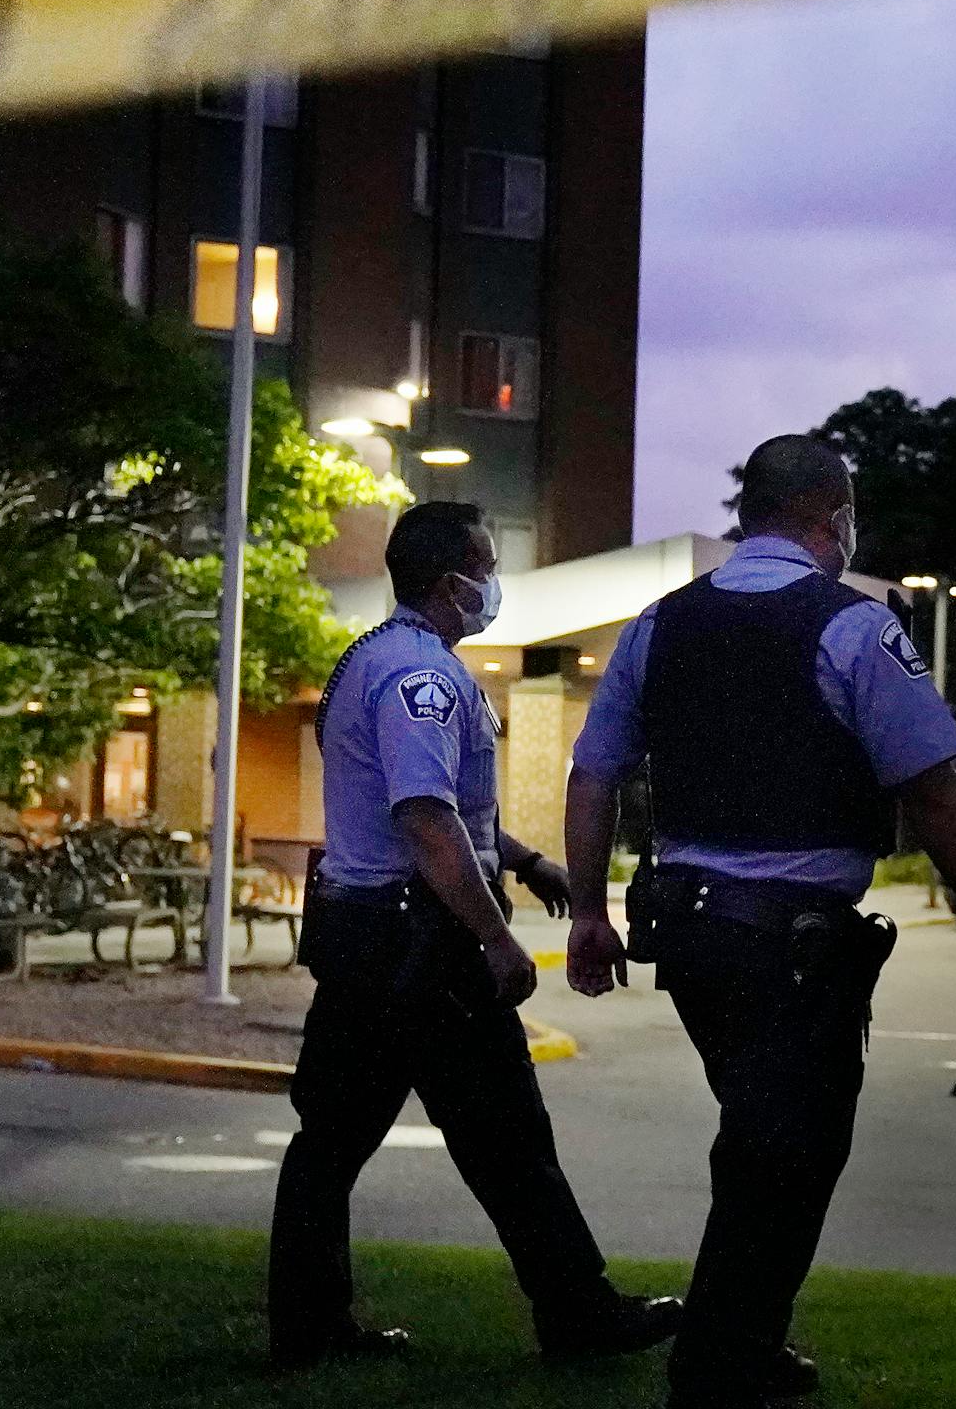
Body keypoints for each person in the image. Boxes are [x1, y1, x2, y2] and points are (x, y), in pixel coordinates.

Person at [561, 435, 956, 1409]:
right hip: (787, 942)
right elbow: (935, 790)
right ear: (832, 514)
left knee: (770, 1141)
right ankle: (719, 1364)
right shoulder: (851, 629)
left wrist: (592, 912)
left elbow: (595, 770)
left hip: (684, 931)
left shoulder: (658, 625)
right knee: (787, 1149)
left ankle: (744, 1346)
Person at [266, 502, 681, 1371]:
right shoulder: (424, 677)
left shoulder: (369, 660)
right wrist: (496, 937)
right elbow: (424, 816)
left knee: (329, 1143)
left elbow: (441, 807)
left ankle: (308, 1326)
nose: (494, 583)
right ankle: (580, 1315)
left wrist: (526, 861)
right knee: (510, 1144)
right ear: (453, 581)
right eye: (487, 565)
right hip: (423, 944)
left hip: (363, 933)